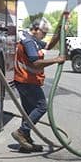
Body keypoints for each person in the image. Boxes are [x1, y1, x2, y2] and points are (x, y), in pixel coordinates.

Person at [11, 17, 67, 153]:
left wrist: (59, 34)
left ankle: (25, 142)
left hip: (23, 81)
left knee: (29, 112)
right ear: (35, 30)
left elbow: (48, 45)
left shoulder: (31, 39)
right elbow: (34, 63)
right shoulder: (29, 42)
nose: (44, 35)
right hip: (27, 81)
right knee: (42, 107)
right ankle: (22, 132)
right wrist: (56, 59)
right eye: (43, 32)